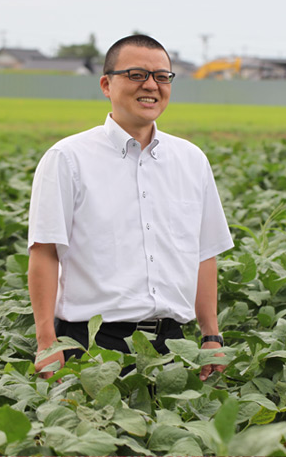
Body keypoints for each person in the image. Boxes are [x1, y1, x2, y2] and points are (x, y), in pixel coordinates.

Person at [27, 34, 233, 380]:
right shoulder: (68, 158)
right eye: (136, 75)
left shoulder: (191, 160)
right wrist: (47, 343)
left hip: (173, 345)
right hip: (92, 344)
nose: (151, 85)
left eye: (162, 76)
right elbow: (44, 252)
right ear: (106, 84)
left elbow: (204, 254)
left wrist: (211, 336)